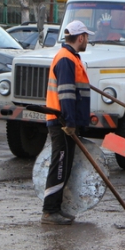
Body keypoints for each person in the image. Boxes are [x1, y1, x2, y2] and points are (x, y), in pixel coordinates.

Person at [41, 20, 94, 225]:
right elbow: (66, 94)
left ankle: (56, 207)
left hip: (66, 121)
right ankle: (49, 210)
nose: (87, 40)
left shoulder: (71, 58)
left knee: (64, 164)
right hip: (61, 121)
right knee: (60, 165)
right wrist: (70, 121)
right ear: (80, 37)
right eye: (87, 37)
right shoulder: (65, 59)